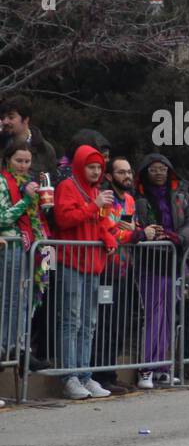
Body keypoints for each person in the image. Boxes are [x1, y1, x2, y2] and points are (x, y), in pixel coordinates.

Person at [51, 145, 120, 399]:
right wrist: (94, 204)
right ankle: (69, 376)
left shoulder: (97, 191)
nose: (96, 171)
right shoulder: (68, 187)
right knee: (71, 321)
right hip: (72, 262)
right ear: (80, 166)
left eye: (99, 168)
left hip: (94, 265)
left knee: (89, 323)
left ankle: (85, 375)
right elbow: (64, 219)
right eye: (91, 167)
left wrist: (109, 240)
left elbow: (102, 223)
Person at [133, 153, 189, 388]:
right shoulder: (138, 196)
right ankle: (146, 368)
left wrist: (179, 237)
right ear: (145, 172)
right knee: (154, 316)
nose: (159, 173)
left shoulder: (182, 194)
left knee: (169, 317)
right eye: (153, 169)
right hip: (149, 262)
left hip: (175, 261)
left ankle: (163, 366)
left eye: (163, 168)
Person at [90, 157, 143, 393]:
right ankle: (100, 374)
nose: (127, 176)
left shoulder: (130, 200)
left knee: (120, 323)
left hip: (125, 270)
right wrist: (132, 234)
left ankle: (111, 372)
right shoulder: (105, 199)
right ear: (110, 177)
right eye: (121, 172)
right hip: (105, 269)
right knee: (105, 323)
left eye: (129, 172)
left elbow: (133, 229)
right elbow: (106, 232)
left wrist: (135, 232)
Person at [0, 142, 49, 369]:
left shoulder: (30, 184)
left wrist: (44, 196)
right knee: (10, 299)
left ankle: (20, 348)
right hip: (10, 246)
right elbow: (3, 218)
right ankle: (6, 347)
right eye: (18, 160)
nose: (22, 165)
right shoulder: (2, 181)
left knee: (26, 299)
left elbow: (38, 217)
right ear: (8, 160)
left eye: (27, 161)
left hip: (31, 246)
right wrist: (27, 200)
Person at [0, 95, 58, 178]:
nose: (5, 121)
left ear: (26, 119)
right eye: (3, 117)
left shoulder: (45, 150)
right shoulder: (2, 145)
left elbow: (52, 181)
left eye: (11, 117)